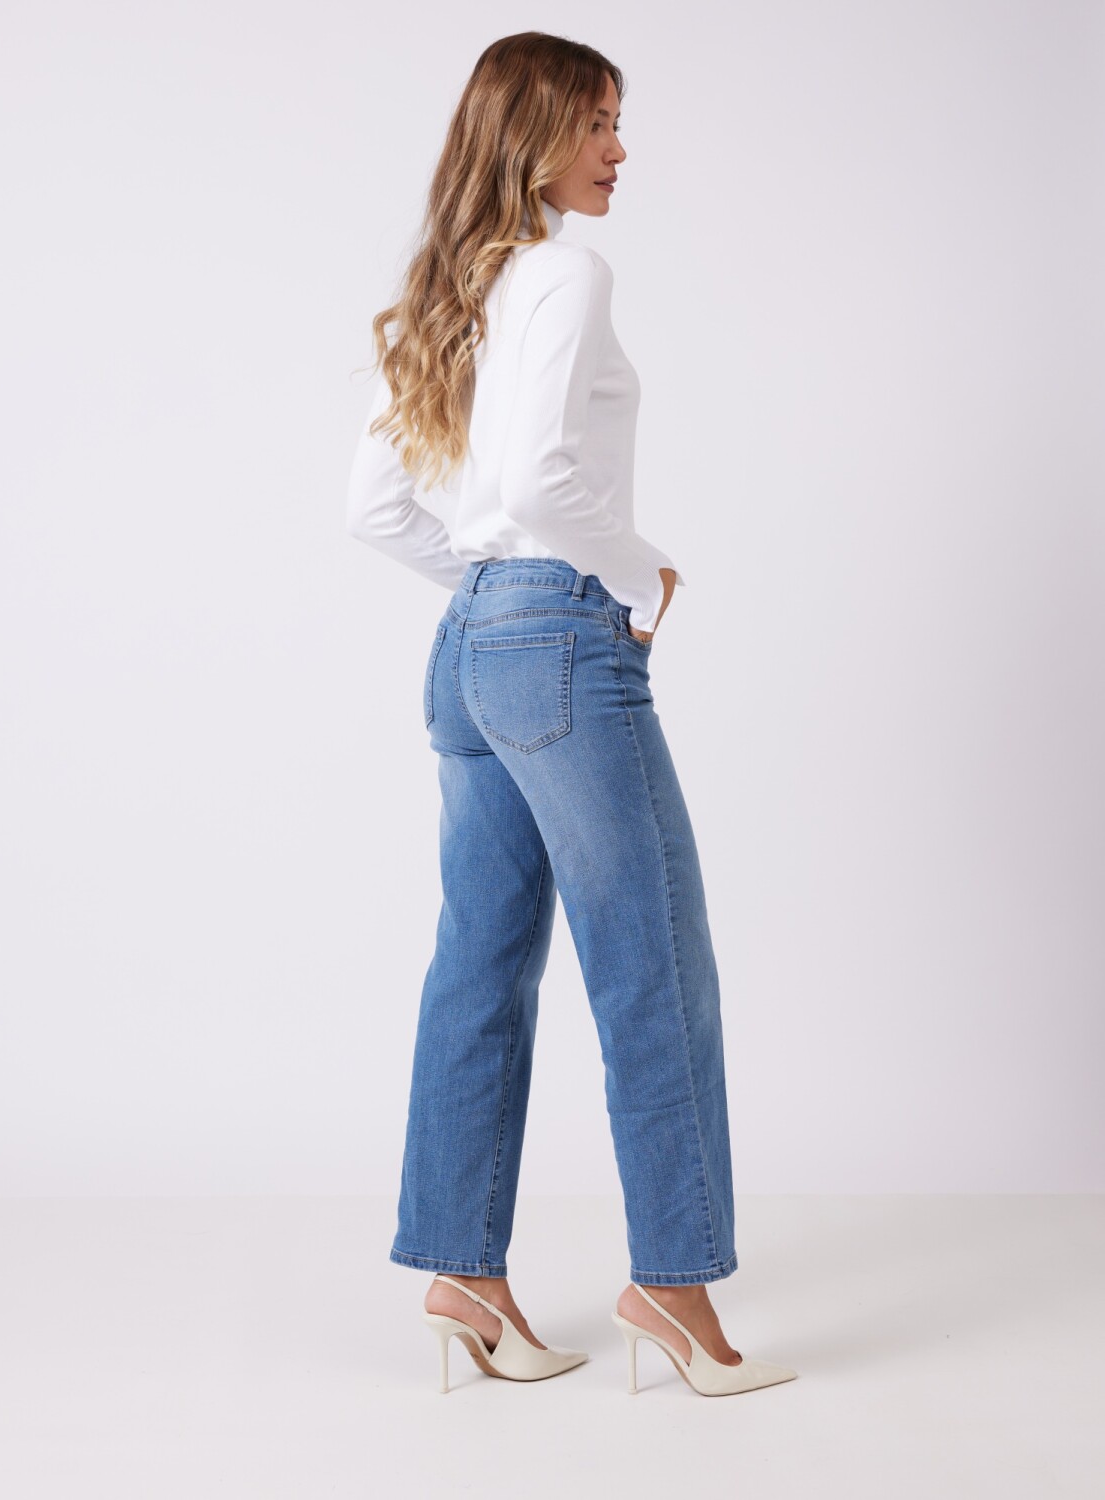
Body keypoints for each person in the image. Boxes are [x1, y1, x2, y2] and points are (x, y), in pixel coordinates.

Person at [345, 31, 797, 1397]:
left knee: (479, 963)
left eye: (615, 121)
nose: (618, 147)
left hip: (469, 650)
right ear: (533, 132)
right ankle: (675, 1288)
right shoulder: (564, 272)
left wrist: (493, 594)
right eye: (597, 121)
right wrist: (633, 572)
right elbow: (544, 479)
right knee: (652, 962)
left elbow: (375, 508)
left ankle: (463, 1275)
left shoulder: (454, 288)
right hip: (555, 645)